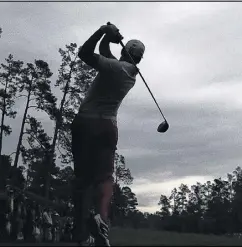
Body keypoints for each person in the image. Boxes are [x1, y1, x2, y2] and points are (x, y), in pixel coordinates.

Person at [72, 23, 145, 246]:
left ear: (124, 52)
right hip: (108, 127)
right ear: (139, 58)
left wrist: (102, 31)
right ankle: (102, 223)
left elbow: (84, 53)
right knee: (105, 178)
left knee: (83, 180)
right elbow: (106, 55)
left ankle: (82, 232)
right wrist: (109, 40)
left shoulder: (114, 68)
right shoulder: (131, 73)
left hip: (86, 123)